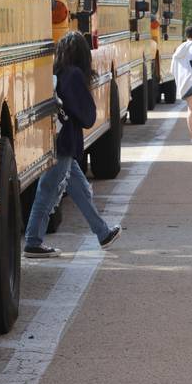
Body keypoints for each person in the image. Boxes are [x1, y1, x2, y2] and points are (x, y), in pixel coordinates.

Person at [24, 31, 121, 258]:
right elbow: (87, 117)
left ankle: (103, 232)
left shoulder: (55, 73)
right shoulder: (75, 75)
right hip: (65, 143)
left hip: (53, 140)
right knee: (47, 191)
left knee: (80, 190)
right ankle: (33, 241)